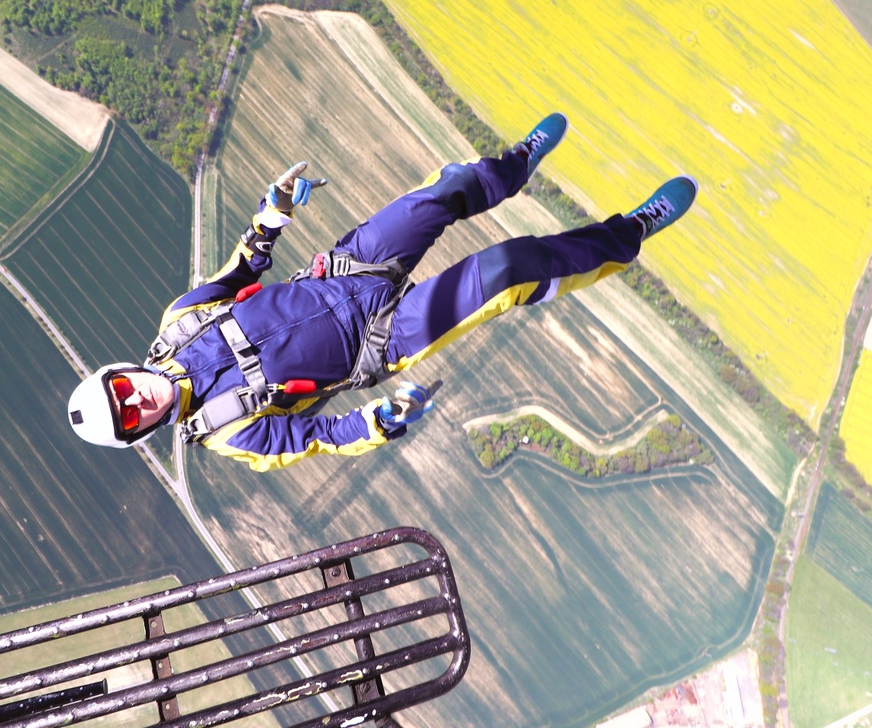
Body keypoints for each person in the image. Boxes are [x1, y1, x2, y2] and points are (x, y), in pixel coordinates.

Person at [67, 114, 696, 471]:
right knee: (509, 270)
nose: (136, 399)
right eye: (130, 416)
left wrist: (271, 215)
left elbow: (241, 270)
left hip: (346, 270)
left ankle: (512, 168)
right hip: (381, 339)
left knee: (439, 195)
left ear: (119, 372)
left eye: (120, 391)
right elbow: (317, 437)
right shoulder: (227, 432)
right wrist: (379, 422)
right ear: (140, 432)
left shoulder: (179, 323)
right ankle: (629, 233)